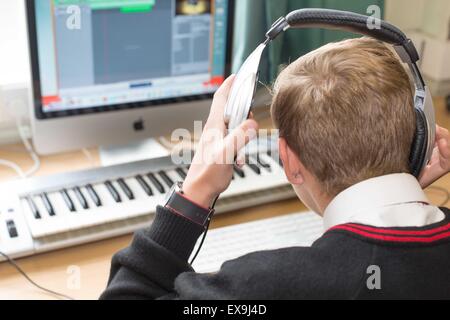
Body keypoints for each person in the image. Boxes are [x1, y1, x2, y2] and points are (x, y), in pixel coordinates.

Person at [100, 37, 450, 299]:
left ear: (289, 161)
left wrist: (194, 192)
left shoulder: (263, 286)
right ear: (418, 136)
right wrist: (399, 183)